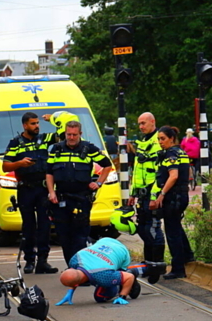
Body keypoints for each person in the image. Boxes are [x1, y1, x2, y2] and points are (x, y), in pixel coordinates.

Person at [46, 120, 113, 264]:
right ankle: (71, 267)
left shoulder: (88, 149)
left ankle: (82, 269)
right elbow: (49, 172)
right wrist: (51, 192)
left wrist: (99, 183)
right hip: (61, 199)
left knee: (80, 237)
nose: (70, 137)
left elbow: (107, 165)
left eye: (74, 135)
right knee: (63, 236)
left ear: (80, 134)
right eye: (68, 134)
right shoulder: (56, 149)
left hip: (81, 198)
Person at [3, 112, 57, 274]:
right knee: (28, 226)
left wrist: (54, 119)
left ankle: (43, 261)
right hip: (26, 188)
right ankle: (29, 260)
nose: (36, 126)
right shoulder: (16, 143)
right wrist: (19, 163)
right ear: (25, 125)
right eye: (33, 124)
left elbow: (65, 132)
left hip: (42, 189)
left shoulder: (45, 139)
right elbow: (5, 166)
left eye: (37, 123)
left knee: (45, 225)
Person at [54, 237, 164, 306]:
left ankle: (147, 268)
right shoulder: (74, 260)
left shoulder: (102, 276)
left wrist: (123, 296)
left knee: (100, 296)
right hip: (106, 241)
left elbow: (128, 278)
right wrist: (70, 291)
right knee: (112, 279)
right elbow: (74, 276)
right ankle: (123, 277)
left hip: (122, 253)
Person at [150, 126, 193, 279]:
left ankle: (178, 269)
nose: (160, 142)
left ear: (171, 138)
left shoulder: (171, 154)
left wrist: (162, 194)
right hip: (181, 195)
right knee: (176, 227)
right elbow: (187, 173)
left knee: (172, 232)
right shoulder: (182, 152)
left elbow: (173, 175)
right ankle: (188, 255)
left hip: (173, 197)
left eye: (163, 139)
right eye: (159, 139)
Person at [127, 112, 164, 263]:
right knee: (143, 227)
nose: (141, 126)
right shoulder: (143, 142)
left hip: (152, 192)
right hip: (142, 193)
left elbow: (160, 173)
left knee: (153, 227)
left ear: (152, 122)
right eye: (139, 124)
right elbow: (137, 171)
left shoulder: (159, 142)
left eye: (143, 123)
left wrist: (155, 196)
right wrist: (133, 193)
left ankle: (157, 262)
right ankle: (149, 261)